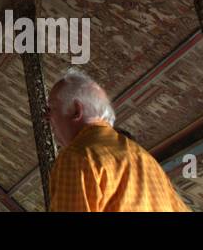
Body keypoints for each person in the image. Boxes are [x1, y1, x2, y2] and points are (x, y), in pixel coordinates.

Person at [47, 67, 190, 212]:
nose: (47, 118)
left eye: (51, 108)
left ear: (76, 110)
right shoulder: (148, 162)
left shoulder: (78, 156)